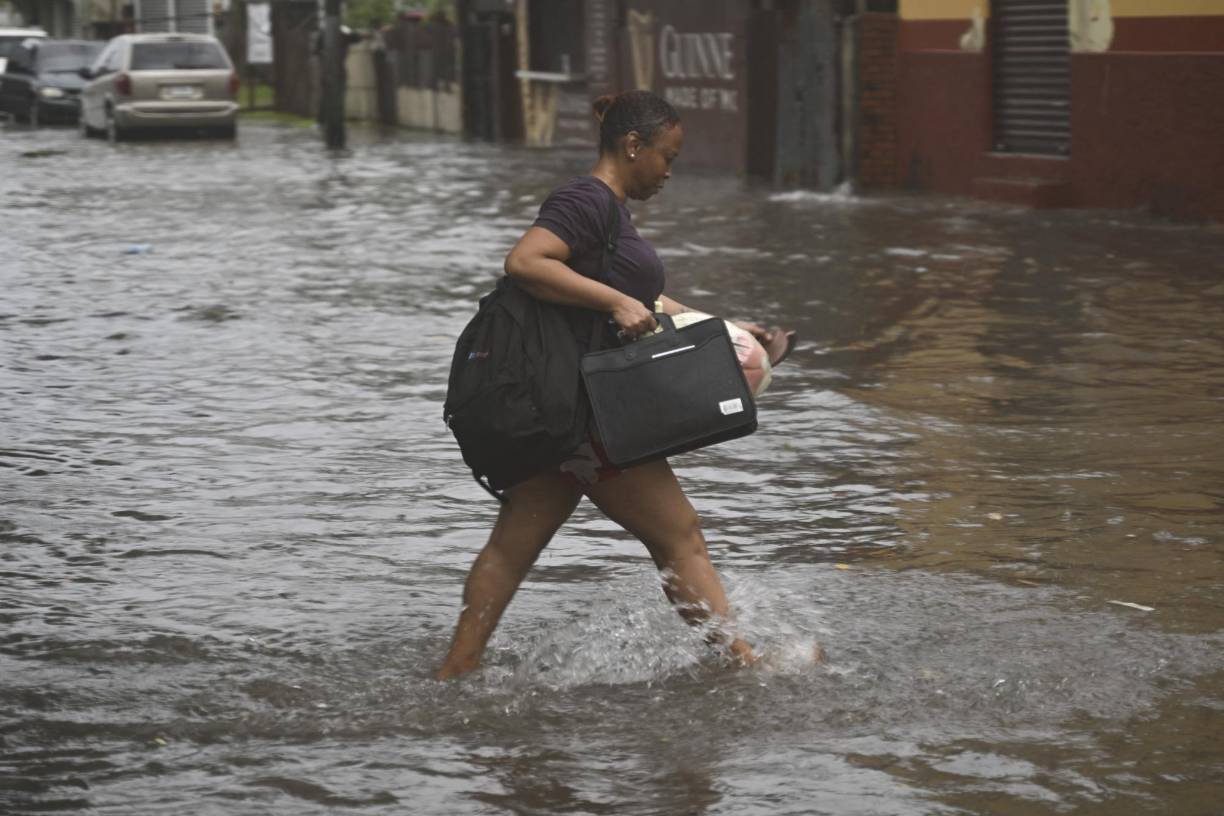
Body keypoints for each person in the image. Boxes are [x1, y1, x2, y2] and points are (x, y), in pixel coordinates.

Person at [435, 90, 792, 680]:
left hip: (565, 413)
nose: (670, 172)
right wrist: (618, 301)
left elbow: (646, 301)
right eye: (667, 157)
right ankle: (743, 666)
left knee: (512, 547)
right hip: (586, 414)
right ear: (633, 146)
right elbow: (525, 261)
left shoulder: (610, 213)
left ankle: (455, 674)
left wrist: (723, 327)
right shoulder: (586, 199)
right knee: (680, 536)